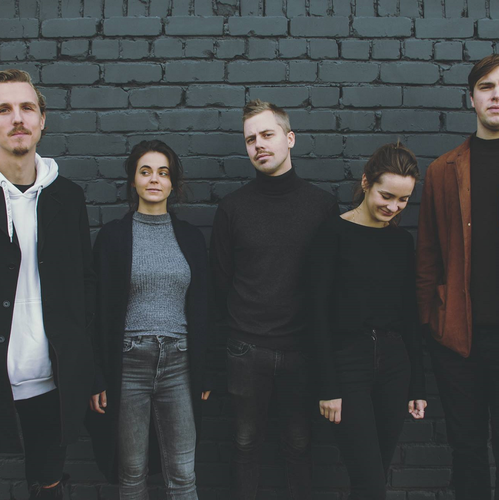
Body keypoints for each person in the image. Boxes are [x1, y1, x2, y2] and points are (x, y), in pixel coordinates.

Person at [210, 99, 339, 499]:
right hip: (245, 349)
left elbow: (333, 288)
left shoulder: (321, 206)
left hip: (301, 349)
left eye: (267, 134)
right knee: (245, 443)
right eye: (251, 139)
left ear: (290, 138)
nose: (259, 145)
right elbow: (219, 285)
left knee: (299, 444)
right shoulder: (232, 208)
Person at [86, 140, 212, 499]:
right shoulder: (112, 237)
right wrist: (96, 375)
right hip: (128, 364)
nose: (154, 179)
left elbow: (205, 306)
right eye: (146, 171)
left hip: (179, 363)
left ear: (173, 183)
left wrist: (204, 370)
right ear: (133, 181)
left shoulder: (190, 237)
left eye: (163, 172)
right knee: (132, 472)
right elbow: (95, 310)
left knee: (183, 473)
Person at [309, 143, 427, 499]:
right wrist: (327, 386)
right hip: (348, 365)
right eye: (386, 196)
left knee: (375, 477)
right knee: (369, 482)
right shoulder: (332, 234)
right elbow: (316, 313)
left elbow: (410, 314)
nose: (393, 207)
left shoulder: (401, 242)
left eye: (403, 200)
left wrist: (417, 386)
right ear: (366, 183)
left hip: (395, 366)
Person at [0, 69, 96, 499]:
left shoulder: (68, 196)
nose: (17, 118)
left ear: (42, 120)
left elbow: (85, 283)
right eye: (3, 109)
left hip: (49, 380)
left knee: (49, 484)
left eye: (27, 108)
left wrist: (85, 364)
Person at [416, 54, 499, 500]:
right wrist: (430, 323)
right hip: (458, 338)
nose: (497, 95)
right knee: (466, 450)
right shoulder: (443, 171)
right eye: (487, 87)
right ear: (471, 99)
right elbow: (427, 257)